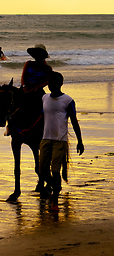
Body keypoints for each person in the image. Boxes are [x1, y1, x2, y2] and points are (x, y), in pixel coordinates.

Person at [40, 71, 84, 211]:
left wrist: (80, 141)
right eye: (48, 82)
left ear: (59, 84)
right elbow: (43, 118)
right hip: (45, 139)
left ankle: (55, 202)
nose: (49, 85)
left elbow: (74, 122)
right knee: (42, 171)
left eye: (52, 83)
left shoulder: (68, 100)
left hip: (60, 140)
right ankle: (56, 187)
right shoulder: (44, 98)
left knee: (55, 170)